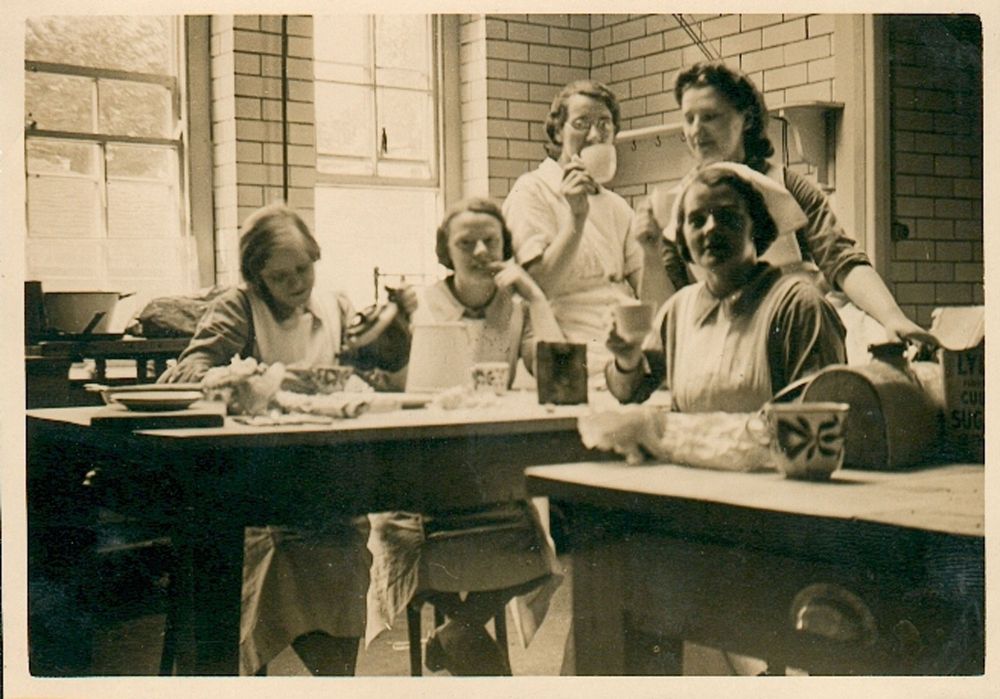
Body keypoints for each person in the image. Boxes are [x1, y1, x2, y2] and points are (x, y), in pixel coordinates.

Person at [159, 203, 417, 676]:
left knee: (343, 548)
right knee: (278, 553)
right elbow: (185, 375)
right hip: (256, 491)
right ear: (257, 277)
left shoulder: (335, 305)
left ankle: (334, 677)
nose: (298, 283)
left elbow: (367, 379)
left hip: (328, 486)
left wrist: (394, 342)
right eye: (282, 277)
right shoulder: (239, 308)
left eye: (304, 269)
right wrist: (255, 378)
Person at [366, 198, 564, 676]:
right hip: (422, 478)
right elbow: (393, 386)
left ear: (505, 247)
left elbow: (555, 375)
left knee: (540, 552)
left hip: (488, 476)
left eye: (490, 241)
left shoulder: (514, 307)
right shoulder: (421, 305)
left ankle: (457, 629)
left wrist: (536, 298)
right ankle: (467, 633)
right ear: (445, 251)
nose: (479, 251)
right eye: (465, 242)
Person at [636, 60, 937, 350]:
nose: (696, 130)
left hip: (802, 320)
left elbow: (841, 259)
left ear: (746, 118)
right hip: (727, 333)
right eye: (689, 118)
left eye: (710, 116)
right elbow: (666, 313)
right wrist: (649, 252)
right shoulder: (679, 205)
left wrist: (892, 317)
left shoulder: (786, 184)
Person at [606, 162, 847, 411]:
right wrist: (626, 360)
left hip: (767, 450)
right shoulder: (678, 310)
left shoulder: (797, 306)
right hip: (689, 449)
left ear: (757, 225)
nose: (710, 227)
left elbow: (821, 420)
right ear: (683, 238)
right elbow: (629, 392)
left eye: (726, 216)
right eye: (697, 220)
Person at [502, 80, 660, 376]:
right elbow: (536, 288)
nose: (595, 135)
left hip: (622, 344)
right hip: (564, 345)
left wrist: (652, 253)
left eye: (605, 124)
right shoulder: (532, 191)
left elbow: (652, 300)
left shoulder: (616, 206)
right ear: (557, 133)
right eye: (580, 123)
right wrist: (576, 219)